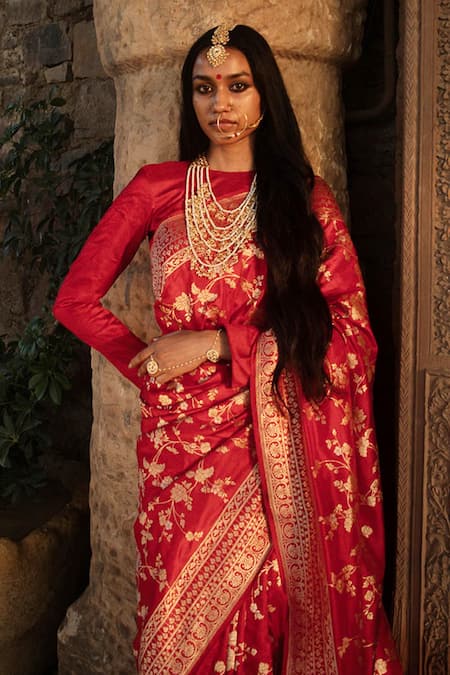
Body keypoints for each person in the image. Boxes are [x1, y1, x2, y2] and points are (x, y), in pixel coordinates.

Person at [53, 23, 403, 675]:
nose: (221, 103)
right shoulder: (156, 189)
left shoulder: (302, 201)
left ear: (264, 96)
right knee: (177, 640)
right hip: (179, 456)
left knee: (271, 617)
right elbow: (74, 300)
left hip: (272, 454)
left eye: (238, 86)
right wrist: (153, 368)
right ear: (190, 99)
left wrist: (213, 344)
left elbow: (351, 338)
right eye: (205, 87)